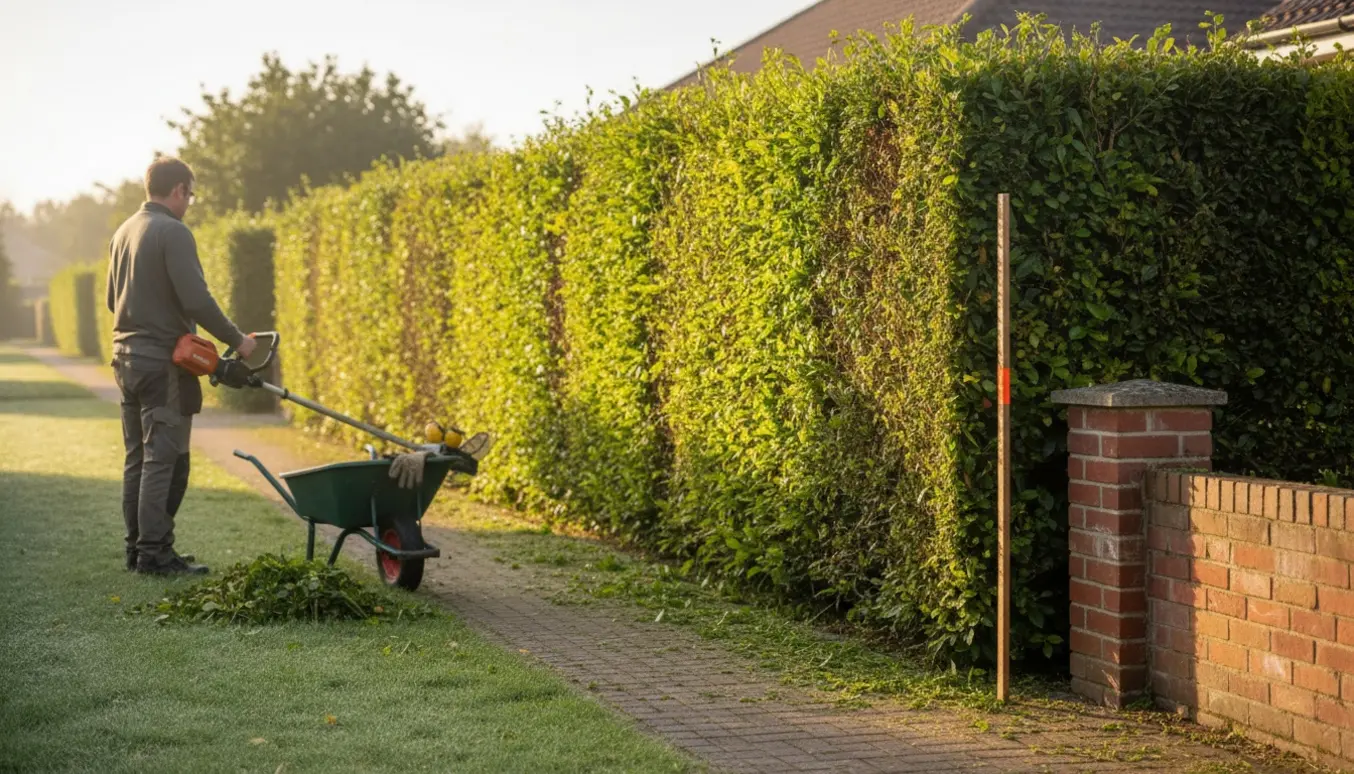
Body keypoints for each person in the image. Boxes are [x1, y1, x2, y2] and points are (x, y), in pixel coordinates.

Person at [106, 157, 256, 576]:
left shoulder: (123, 232)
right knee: (161, 459)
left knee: (137, 457)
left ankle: (138, 550)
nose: (189, 201)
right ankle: (154, 554)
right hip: (160, 365)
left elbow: (110, 301)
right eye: (189, 193)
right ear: (177, 190)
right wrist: (238, 341)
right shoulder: (173, 231)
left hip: (125, 359)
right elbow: (196, 300)